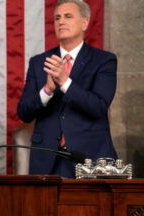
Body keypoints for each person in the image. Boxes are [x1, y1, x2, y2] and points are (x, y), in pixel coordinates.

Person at [17, 0, 117, 178]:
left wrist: (64, 82)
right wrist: (47, 90)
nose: (61, 22)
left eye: (68, 16)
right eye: (57, 18)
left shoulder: (104, 60)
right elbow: (24, 112)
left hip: (88, 157)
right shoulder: (39, 62)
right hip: (47, 159)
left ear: (85, 23)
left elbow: (98, 106)